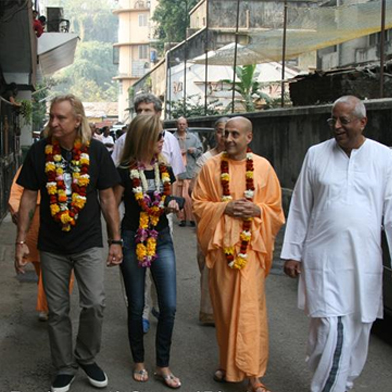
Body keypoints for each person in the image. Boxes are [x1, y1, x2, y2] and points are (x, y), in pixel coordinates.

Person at [280, 95, 392, 392]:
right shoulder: (316, 154)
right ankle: (331, 387)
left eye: (344, 120)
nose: (337, 126)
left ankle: (341, 381)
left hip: (363, 259)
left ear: (362, 122)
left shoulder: (385, 157)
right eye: (334, 120)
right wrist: (292, 252)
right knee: (331, 326)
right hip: (323, 258)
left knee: (357, 326)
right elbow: (301, 207)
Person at [15, 94, 123, 392]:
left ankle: (86, 357)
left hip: (88, 241)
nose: (54, 122)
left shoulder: (97, 152)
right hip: (52, 246)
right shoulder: (39, 151)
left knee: (94, 303)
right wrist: (21, 240)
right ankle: (64, 365)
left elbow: (107, 198)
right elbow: (27, 197)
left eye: (60, 118)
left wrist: (115, 240)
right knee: (58, 311)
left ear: (78, 121)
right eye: (51, 116)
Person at [192, 116, 285, 392]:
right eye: (226, 134)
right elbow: (199, 204)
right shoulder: (211, 167)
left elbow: (276, 210)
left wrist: (258, 210)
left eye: (235, 134)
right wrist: (224, 208)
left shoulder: (263, 167)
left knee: (251, 310)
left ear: (249, 138)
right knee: (224, 311)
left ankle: (254, 376)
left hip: (251, 249)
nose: (229, 139)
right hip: (223, 250)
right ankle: (227, 364)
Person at [113, 114, 181, 389]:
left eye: (163, 136)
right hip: (132, 238)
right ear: (143, 139)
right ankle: (139, 361)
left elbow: (171, 197)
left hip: (161, 237)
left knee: (169, 305)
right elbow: (112, 207)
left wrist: (175, 202)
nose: (163, 141)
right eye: (158, 137)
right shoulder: (123, 171)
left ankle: (162, 364)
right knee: (137, 306)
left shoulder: (165, 169)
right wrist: (115, 240)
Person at [111, 93, 185, 333]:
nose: (143, 115)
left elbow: (175, 178)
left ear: (158, 113)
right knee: (134, 271)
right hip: (132, 217)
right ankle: (139, 312)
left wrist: (173, 202)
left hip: (161, 217)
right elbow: (118, 183)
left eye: (147, 110)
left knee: (160, 265)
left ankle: (158, 305)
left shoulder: (170, 140)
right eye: (139, 110)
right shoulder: (124, 141)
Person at [190, 117, 228, 325]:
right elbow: (194, 190)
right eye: (221, 132)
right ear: (215, 134)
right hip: (210, 220)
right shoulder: (206, 160)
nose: (225, 137)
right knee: (208, 264)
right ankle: (209, 311)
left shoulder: (243, 159)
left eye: (230, 132)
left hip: (233, 223)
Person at [173, 116, 203, 227]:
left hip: (190, 171)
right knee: (179, 196)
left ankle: (191, 218)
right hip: (177, 173)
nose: (181, 126)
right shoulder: (172, 138)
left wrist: (193, 150)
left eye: (183, 124)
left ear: (187, 125)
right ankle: (181, 218)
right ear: (177, 125)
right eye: (179, 124)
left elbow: (200, 151)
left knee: (188, 196)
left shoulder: (193, 138)